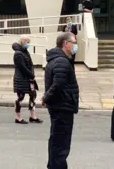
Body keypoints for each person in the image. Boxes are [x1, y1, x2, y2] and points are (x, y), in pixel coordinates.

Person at [42, 32, 79, 169]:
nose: (75, 46)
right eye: (74, 42)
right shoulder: (62, 61)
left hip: (60, 106)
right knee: (61, 145)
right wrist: (46, 97)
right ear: (65, 43)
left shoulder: (58, 60)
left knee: (56, 141)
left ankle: (52, 165)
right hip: (63, 107)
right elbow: (58, 84)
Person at [12, 35, 43, 124]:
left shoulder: (25, 51)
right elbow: (23, 68)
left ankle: (32, 116)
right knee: (20, 97)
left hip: (29, 78)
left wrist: (32, 75)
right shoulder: (18, 53)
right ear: (22, 42)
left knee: (33, 95)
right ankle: (18, 117)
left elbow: (30, 64)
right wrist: (31, 75)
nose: (28, 44)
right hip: (21, 79)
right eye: (27, 42)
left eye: (29, 42)